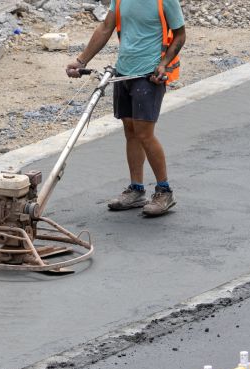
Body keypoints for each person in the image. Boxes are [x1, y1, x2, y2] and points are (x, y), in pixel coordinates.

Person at [66, 0, 186, 217]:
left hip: (148, 75)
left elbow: (180, 35)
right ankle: (137, 190)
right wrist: (81, 61)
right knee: (130, 131)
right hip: (123, 72)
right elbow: (106, 27)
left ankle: (164, 191)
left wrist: (164, 64)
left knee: (144, 134)